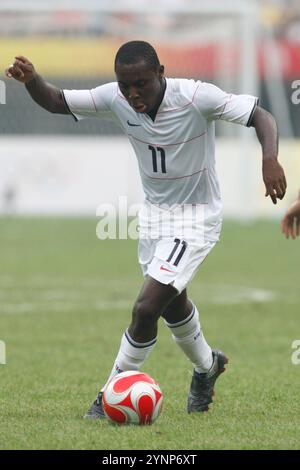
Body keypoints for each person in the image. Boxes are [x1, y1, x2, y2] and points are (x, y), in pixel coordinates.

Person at [5, 41, 287, 418]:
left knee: (145, 308)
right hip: (155, 219)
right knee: (172, 307)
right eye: (125, 85)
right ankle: (208, 366)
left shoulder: (196, 97)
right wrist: (32, 80)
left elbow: (261, 115)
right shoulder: (116, 98)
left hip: (196, 218)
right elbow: (58, 101)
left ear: (161, 72)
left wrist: (269, 159)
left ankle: (108, 395)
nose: (133, 94)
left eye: (141, 83)